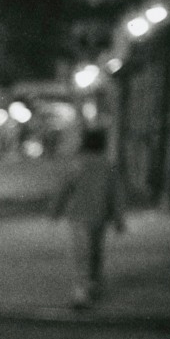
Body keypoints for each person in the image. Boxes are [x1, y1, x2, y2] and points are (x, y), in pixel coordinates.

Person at [51, 127, 126, 308]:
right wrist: (118, 219)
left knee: (80, 254)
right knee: (96, 251)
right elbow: (115, 194)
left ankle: (81, 292)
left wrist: (55, 210)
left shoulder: (77, 164)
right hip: (99, 216)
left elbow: (64, 188)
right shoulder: (108, 166)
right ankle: (94, 283)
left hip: (78, 215)